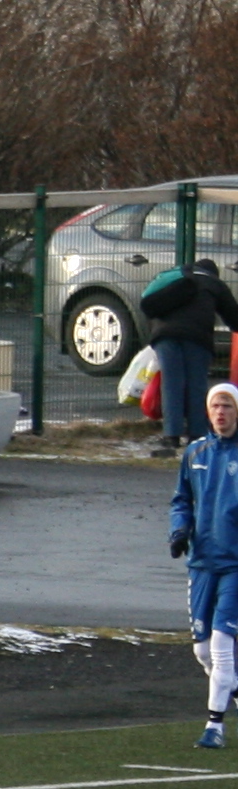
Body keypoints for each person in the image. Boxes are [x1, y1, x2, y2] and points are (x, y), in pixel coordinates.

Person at [171, 380, 238, 747]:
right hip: (201, 562)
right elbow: (181, 499)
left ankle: (215, 726)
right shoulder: (195, 452)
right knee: (202, 649)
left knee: (222, 643)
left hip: (235, 564)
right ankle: (234, 688)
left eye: (227, 406)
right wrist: (179, 531)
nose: (221, 412)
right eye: (216, 406)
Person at [141, 253, 238, 454]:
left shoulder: (175, 276)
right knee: (196, 385)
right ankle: (197, 435)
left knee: (171, 384)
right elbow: (234, 318)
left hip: (165, 337)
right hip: (197, 338)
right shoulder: (214, 283)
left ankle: (171, 437)